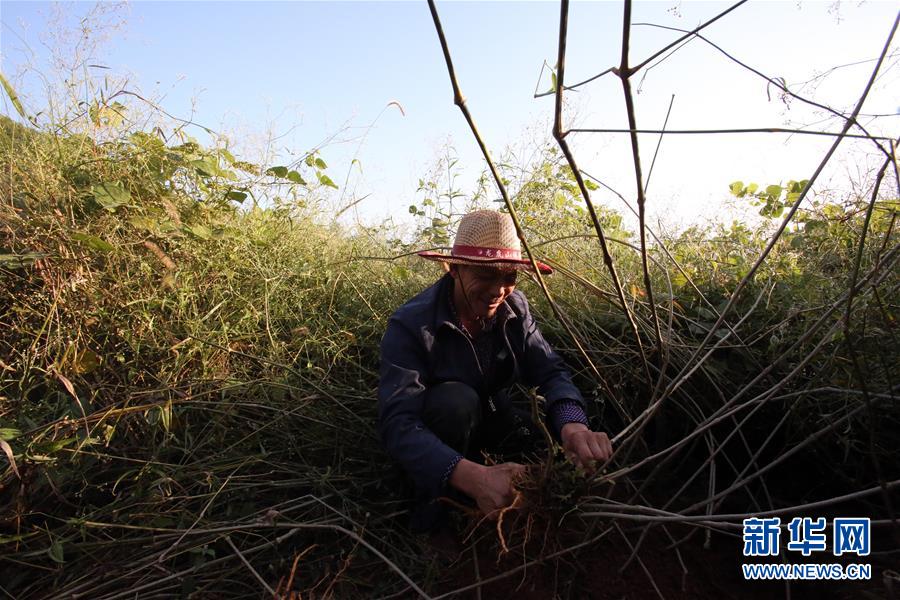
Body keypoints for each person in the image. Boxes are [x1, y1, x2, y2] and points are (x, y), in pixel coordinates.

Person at [377, 209, 613, 532]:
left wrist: (574, 426)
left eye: (509, 277)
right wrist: (473, 477)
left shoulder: (515, 308)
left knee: (558, 444)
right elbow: (398, 425)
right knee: (455, 403)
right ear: (454, 269)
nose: (498, 290)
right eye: (486, 274)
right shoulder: (412, 325)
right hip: (440, 439)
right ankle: (433, 520)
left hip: (494, 415)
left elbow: (550, 370)